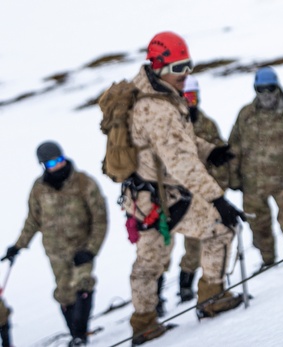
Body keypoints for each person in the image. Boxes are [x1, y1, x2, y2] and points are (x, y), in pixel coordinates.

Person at [120, 32, 242, 343]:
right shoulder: (157, 108)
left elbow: (177, 144)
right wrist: (218, 199)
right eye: (177, 68)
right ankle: (211, 297)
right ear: (159, 68)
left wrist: (208, 150)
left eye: (188, 66)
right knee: (220, 228)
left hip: (142, 198)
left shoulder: (153, 94)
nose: (185, 74)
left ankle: (144, 321)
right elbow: (181, 164)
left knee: (150, 261)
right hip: (163, 197)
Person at [3, 142, 106, 345]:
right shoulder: (39, 189)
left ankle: (80, 334)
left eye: (59, 160)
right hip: (55, 252)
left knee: (83, 283)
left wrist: (91, 249)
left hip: (81, 248)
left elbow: (100, 219)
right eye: (51, 163)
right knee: (64, 294)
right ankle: (74, 333)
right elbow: (33, 220)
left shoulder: (84, 183)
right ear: (43, 165)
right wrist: (18, 245)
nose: (57, 166)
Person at [229, 67, 283, 268]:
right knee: (258, 225)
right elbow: (234, 146)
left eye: (270, 89)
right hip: (252, 183)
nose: (265, 94)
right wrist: (233, 176)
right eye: (261, 89)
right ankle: (268, 260)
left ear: (277, 88)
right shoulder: (246, 114)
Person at [175, 75, 229, 303]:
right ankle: (185, 284)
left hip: (210, 194)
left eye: (192, 96)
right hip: (186, 196)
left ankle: (212, 285)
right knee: (193, 245)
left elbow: (220, 154)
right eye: (185, 97)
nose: (189, 102)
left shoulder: (207, 124)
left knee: (216, 237)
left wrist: (220, 187)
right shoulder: (172, 126)